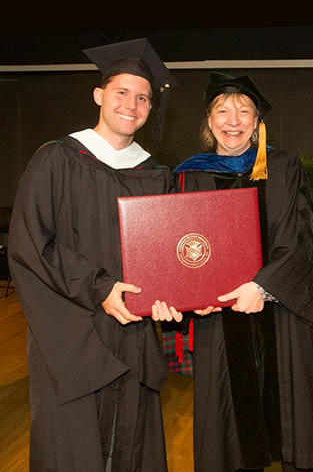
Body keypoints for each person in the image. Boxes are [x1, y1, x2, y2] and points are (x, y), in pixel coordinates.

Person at [8, 38, 182, 472]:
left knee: (132, 438)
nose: (133, 104)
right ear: (99, 95)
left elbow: (163, 255)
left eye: (143, 97)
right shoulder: (57, 159)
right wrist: (99, 287)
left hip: (133, 330)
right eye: (122, 92)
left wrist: (167, 295)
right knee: (73, 441)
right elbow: (30, 245)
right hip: (72, 328)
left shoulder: (155, 174)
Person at [169, 72, 313, 472]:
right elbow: (182, 248)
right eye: (222, 110)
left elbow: (301, 237)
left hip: (279, 311)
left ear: (257, 123)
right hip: (217, 316)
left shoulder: (284, 167)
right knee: (224, 424)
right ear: (209, 121)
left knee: (289, 412)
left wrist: (263, 287)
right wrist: (194, 297)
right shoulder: (190, 175)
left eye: (244, 111)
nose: (232, 119)